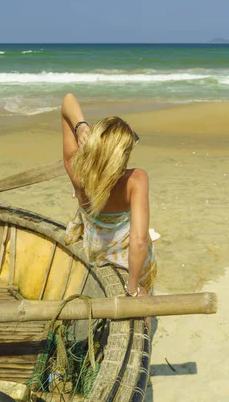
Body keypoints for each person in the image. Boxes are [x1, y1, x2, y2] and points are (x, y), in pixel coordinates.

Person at [61, 93, 157, 298]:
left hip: (97, 254)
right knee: (145, 296)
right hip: (131, 263)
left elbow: (67, 101)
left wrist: (81, 127)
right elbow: (139, 241)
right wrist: (133, 287)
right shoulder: (136, 180)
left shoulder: (77, 175)